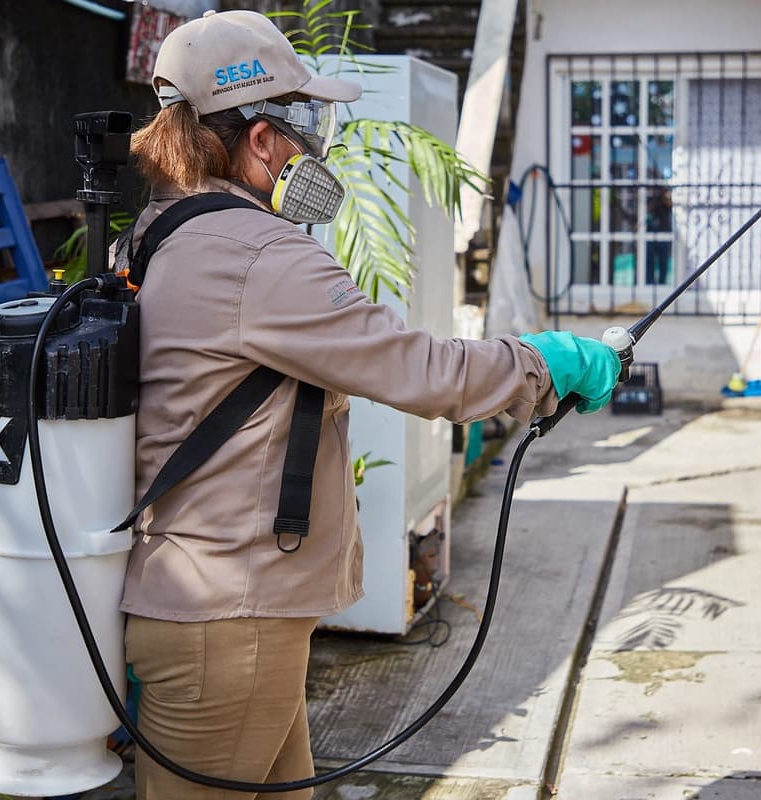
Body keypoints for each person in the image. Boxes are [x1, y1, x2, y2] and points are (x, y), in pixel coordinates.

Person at [118, 10, 620, 799]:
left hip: (221, 608)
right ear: (259, 140)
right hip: (228, 620)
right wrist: (544, 364)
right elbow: (422, 371)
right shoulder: (260, 254)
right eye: (305, 122)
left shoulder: (167, 233)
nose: (316, 146)